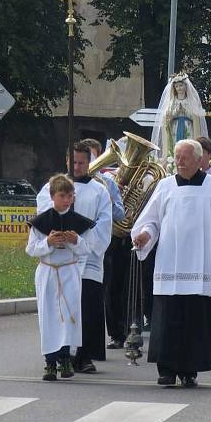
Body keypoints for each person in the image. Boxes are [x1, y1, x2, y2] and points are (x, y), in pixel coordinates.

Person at [131, 140, 211, 387]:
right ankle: (167, 369)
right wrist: (145, 235)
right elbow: (152, 220)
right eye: (177, 156)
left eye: (184, 157)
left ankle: (190, 369)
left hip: (201, 262)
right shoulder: (165, 186)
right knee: (168, 315)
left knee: (195, 317)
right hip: (170, 262)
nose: (179, 161)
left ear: (198, 159)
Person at [37, 142, 112, 374]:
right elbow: (43, 215)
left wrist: (84, 241)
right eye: (74, 162)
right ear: (67, 161)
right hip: (59, 258)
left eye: (82, 162)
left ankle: (83, 356)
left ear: (89, 162)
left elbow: (104, 222)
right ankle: (59, 354)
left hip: (86, 257)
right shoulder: (50, 188)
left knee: (86, 308)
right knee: (59, 311)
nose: (77, 166)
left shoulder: (99, 190)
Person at [26, 174, 94, 381]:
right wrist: (47, 242)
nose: (66, 200)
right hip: (48, 272)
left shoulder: (79, 222)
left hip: (69, 271)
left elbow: (86, 249)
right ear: (53, 196)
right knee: (49, 317)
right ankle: (49, 361)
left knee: (69, 316)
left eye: (70, 196)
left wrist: (75, 240)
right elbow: (31, 249)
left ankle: (65, 358)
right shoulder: (41, 222)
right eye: (62, 195)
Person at [79, 138, 129, 351]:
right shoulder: (69, 182)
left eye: (92, 158)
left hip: (106, 241)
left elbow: (120, 213)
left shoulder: (107, 182)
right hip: (77, 243)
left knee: (109, 289)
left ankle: (117, 333)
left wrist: (108, 196)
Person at [152, 73, 208, 164]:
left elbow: (195, 117)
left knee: (188, 143)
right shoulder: (172, 102)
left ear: (185, 87)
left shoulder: (191, 101)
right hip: (175, 127)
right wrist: (176, 111)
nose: (179, 88)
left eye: (181, 85)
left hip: (188, 126)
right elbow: (167, 117)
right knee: (174, 146)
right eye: (177, 86)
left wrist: (185, 110)